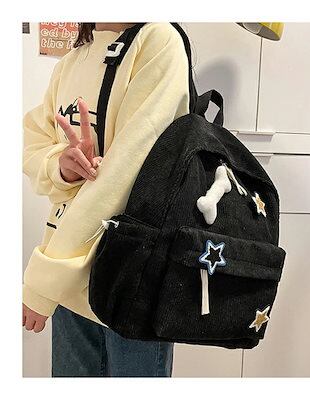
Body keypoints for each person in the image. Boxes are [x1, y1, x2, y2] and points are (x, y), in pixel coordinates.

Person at [22, 22, 190, 377]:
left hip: (131, 274)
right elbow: (33, 143)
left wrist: (45, 281)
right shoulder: (71, 61)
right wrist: (61, 166)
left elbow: (129, 171)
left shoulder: (158, 40)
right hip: (69, 280)